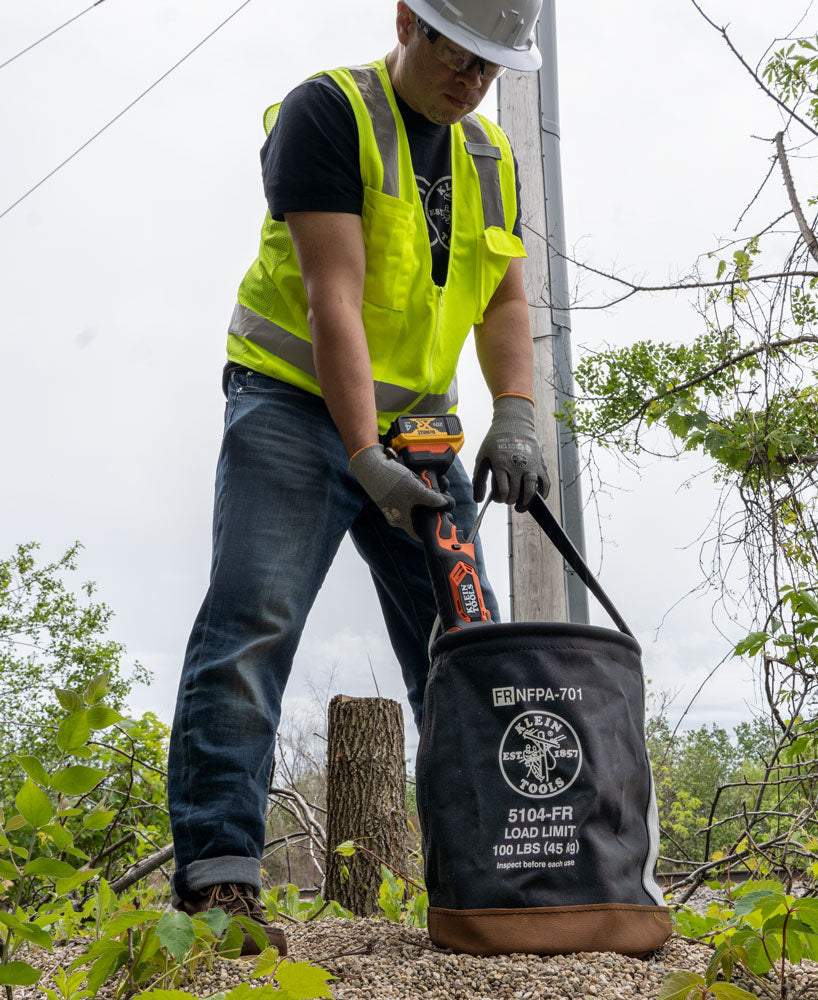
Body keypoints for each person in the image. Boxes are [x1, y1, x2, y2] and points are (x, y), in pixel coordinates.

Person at [166, 0, 549, 957]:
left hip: (421, 431)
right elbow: (332, 295)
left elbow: (504, 293)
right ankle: (220, 883)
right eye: (459, 55)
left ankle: (491, 882)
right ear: (408, 21)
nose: (471, 80)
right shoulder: (327, 112)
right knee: (252, 620)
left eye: (490, 66)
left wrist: (514, 411)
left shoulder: (492, 158)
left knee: (466, 648)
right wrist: (361, 454)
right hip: (293, 408)